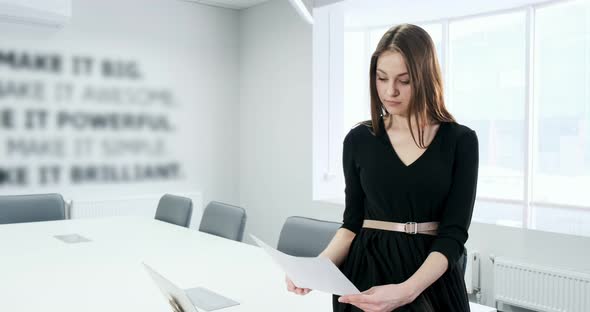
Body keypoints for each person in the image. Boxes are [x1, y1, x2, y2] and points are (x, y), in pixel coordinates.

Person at [285, 23, 479, 311]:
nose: (390, 91)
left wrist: (407, 291)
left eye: (405, 80)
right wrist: (317, 267)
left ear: (425, 78)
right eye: (381, 78)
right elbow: (351, 224)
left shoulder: (460, 140)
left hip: (427, 283)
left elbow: (453, 235)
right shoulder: (359, 139)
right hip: (364, 273)